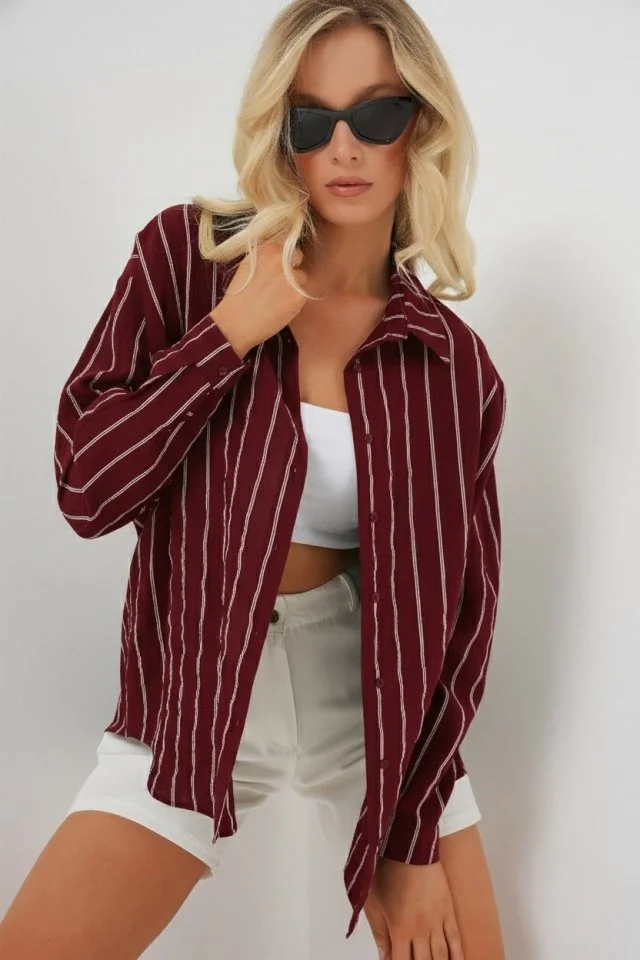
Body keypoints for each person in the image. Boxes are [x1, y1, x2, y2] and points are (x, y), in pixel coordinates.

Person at [0, 1, 507, 958]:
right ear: (283, 132)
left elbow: (464, 615)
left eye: (378, 114)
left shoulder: (451, 364)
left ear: (423, 126)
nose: (344, 147)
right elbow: (86, 489)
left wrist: (410, 835)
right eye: (313, 120)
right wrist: (230, 333)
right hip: (197, 686)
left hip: (373, 706)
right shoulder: (191, 259)